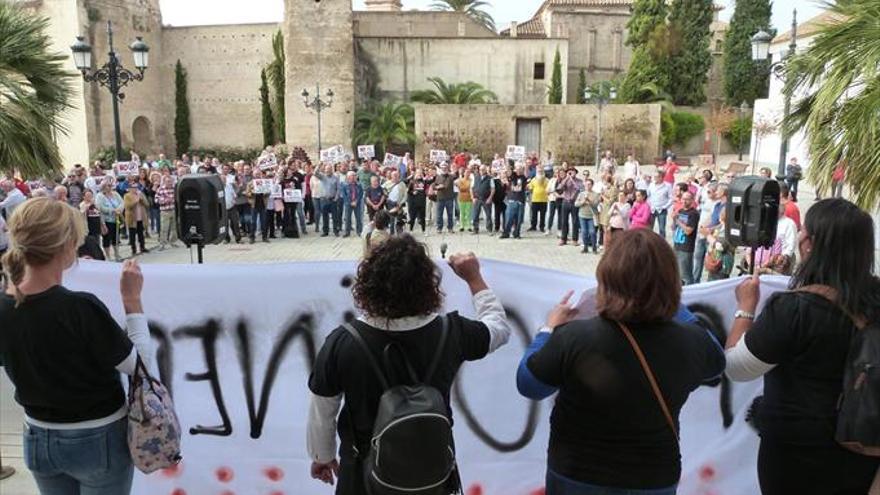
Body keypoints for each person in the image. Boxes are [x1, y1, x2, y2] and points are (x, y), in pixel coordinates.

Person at [517, 228, 725, 494]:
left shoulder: (576, 337)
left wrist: (548, 330)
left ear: (606, 277)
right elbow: (716, 360)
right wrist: (670, 302)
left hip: (578, 473)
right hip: (654, 476)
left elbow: (529, 384)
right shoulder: (691, 341)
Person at [307, 237, 511, 494]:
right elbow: (498, 329)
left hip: (362, 474)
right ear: (428, 285)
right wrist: (474, 279)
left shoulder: (343, 341)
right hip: (430, 474)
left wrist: (322, 457)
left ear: (368, 285)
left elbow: (322, 408)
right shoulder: (452, 332)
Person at [725, 199, 880, 494]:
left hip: (796, 458)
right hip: (862, 453)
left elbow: (736, 367)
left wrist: (745, 308)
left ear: (810, 243)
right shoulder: (876, 301)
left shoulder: (794, 309)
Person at [0, 198, 153, 494]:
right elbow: (140, 367)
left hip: (37, 435)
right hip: (98, 438)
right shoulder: (79, 308)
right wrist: (132, 302)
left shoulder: (4, 307)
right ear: (67, 244)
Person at [673, 192, 699, 285]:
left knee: (686, 275)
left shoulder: (694, 213)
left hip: (686, 246)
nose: (684, 201)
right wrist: (673, 219)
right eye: (683, 199)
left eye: (687, 199)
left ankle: (691, 292)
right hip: (677, 244)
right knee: (678, 273)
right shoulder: (680, 211)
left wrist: (677, 220)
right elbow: (673, 228)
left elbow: (688, 231)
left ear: (692, 200)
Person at [96, 181, 124, 261]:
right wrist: (112, 210)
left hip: (116, 219)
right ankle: (108, 256)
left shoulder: (115, 194)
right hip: (106, 220)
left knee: (116, 237)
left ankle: (117, 253)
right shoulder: (100, 196)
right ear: (103, 186)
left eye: (111, 185)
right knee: (107, 238)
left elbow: (122, 202)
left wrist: (119, 209)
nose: (110, 187)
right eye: (108, 185)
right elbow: (100, 207)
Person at [123, 185, 150, 257]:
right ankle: (133, 249)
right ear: (129, 189)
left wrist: (142, 200)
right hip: (132, 218)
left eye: (136, 188)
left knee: (141, 234)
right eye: (133, 188)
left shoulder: (140, 194)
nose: (135, 189)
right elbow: (127, 206)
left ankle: (142, 247)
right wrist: (135, 201)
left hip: (141, 217)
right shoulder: (127, 196)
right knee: (132, 235)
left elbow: (147, 204)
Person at [502, 164, 527, 239]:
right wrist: (508, 165)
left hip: (520, 200)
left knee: (518, 219)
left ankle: (516, 233)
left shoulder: (524, 178)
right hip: (512, 200)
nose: (519, 170)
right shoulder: (513, 176)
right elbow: (508, 172)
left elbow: (521, 188)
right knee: (509, 218)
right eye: (517, 169)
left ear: (522, 170)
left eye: (520, 169)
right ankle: (506, 233)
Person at [574, 178, 599, 254]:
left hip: (591, 216)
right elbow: (576, 204)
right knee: (584, 232)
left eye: (589, 184)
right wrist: (583, 202)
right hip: (582, 215)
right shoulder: (581, 194)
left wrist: (589, 200)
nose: (588, 186)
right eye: (586, 184)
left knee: (592, 232)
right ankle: (585, 247)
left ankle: (594, 247)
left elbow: (595, 205)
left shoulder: (596, 194)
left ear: (592, 185)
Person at [154, 175, 179, 250]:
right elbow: (156, 200)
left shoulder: (174, 189)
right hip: (164, 211)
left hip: (173, 210)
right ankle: (162, 244)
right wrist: (164, 201)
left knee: (174, 228)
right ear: (164, 182)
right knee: (164, 228)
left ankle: (172, 242)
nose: (170, 183)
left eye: (171, 181)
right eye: (168, 181)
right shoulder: (160, 189)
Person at [558, 168, 581, 246]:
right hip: (565, 202)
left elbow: (578, 188)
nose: (571, 173)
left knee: (575, 221)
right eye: (569, 172)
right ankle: (563, 238)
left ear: (576, 173)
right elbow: (559, 188)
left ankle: (575, 239)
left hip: (574, 203)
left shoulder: (579, 181)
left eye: (573, 172)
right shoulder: (565, 180)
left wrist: (572, 179)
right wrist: (566, 178)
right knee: (564, 221)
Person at [647, 171, 673, 239]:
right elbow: (648, 195)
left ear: (662, 177)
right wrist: (649, 205)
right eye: (654, 176)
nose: (655, 178)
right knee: (650, 227)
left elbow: (671, 198)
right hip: (652, 209)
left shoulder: (668, 185)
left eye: (657, 176)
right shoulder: (651, 185)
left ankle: (662, 243)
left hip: (662, 210)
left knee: (662, 229)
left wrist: (665, 207)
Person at [471, 165, 495, 235]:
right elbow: (471, 188)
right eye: (481, 169)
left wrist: (490, 198)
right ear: (479, 170)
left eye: (483, 169)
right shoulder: (475, 178)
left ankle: (489, 230)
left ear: (485, 170)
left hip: (486, 199)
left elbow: (493, 189)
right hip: (477, 199)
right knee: (475, 215)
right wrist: (473, 198)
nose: (482, 171)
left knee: (488, 215)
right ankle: (475, 229)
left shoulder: (490, 178)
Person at [433, 163, 456, 234]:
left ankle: (450, 228)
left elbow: (446, 186)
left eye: (445, 168)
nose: (444, 169)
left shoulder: (451, 176)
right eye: (442, 168)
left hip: (449, 198)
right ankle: (439, 228)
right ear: (441, 168)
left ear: (447, 168)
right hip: (440, 198)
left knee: (450, 214)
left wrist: (440, 186)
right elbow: (434, 186)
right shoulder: (438, 176)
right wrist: (437, 187)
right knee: (439, 214)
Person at [407, 167, 428, 234]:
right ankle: (411, 230)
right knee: (413, 217)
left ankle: (424, 230)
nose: (419, 174)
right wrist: (412, 193)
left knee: (422, 217)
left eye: (420, 173)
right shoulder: (412, 181)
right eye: (418, 173)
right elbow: (408, 192)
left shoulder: (424, 181)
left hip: (422, 202)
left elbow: (426, 190)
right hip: (414, 203)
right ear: (416, 174)